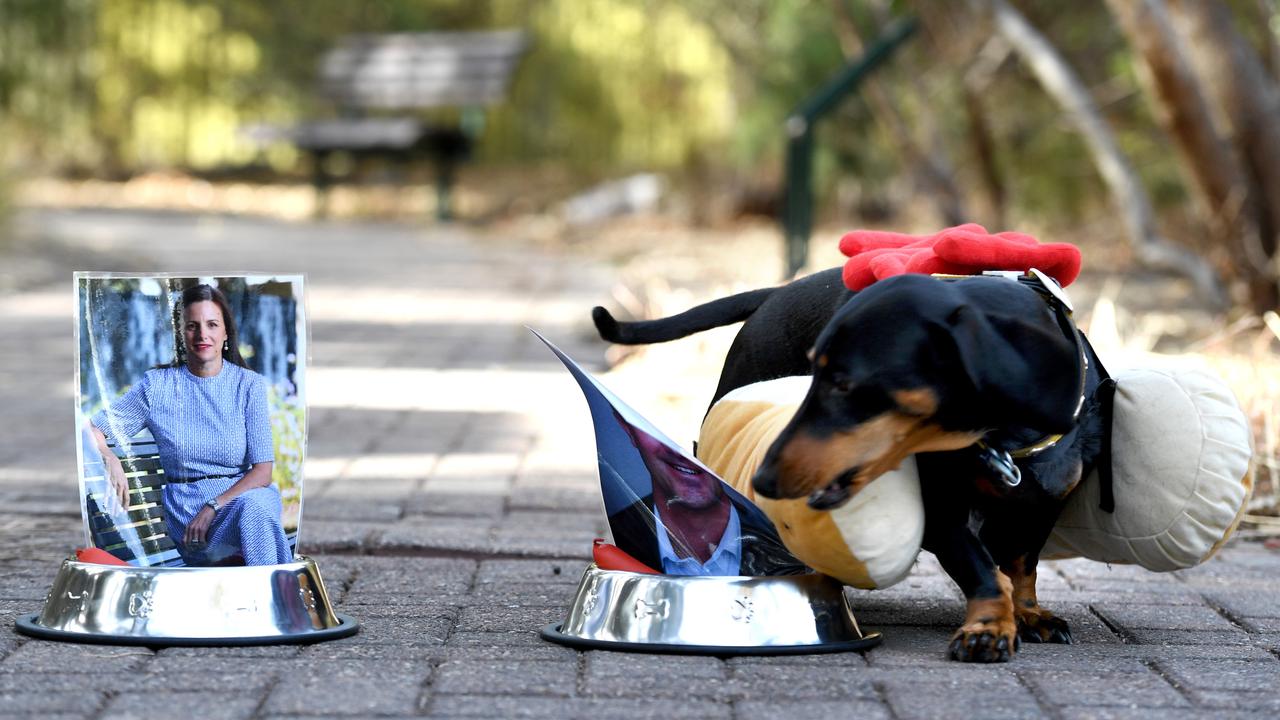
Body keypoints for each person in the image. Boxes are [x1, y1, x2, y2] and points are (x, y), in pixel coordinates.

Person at [88, 284, 292, 566]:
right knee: (257, 513)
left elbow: (263, 472)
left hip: (244, 499)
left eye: (212, 324)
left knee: (256, 507)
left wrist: (214, 506)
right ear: (181, 334)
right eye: (192, 326)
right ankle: (277, 597)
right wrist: (109, 456)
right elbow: (92, 429)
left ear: (225, 333)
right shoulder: (157, 386)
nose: (202, 335)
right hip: (189, 513)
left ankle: (269, 597)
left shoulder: (248, 385)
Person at [606, 413, 804, 576]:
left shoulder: (797, 548)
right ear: (626, 427)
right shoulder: (620, 540)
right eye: (654, 427)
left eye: (709, 427)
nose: (683, 452)